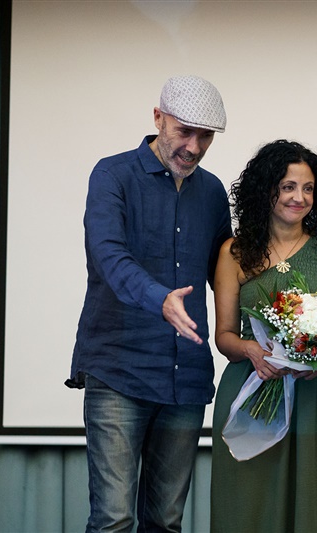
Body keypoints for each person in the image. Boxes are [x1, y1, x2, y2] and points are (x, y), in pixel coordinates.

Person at [66, 75, 232, 532]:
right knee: (114, 520)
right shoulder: (112, 175)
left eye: (206, 136)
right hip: (119, 371)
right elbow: (109, 257)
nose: (194, 147)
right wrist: (161, 299)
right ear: (158, 117)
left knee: (166, 522)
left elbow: (226, 274)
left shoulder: (213, 193)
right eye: (184, 132)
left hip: (186, 378)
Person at [210, 139, 317, 532]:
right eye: (288, 187)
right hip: (255, 392)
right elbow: (224, 336)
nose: (299, 198)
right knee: (252, 508)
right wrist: (251, 350)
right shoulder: (234, 252)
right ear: (265, 189)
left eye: (308, 189)